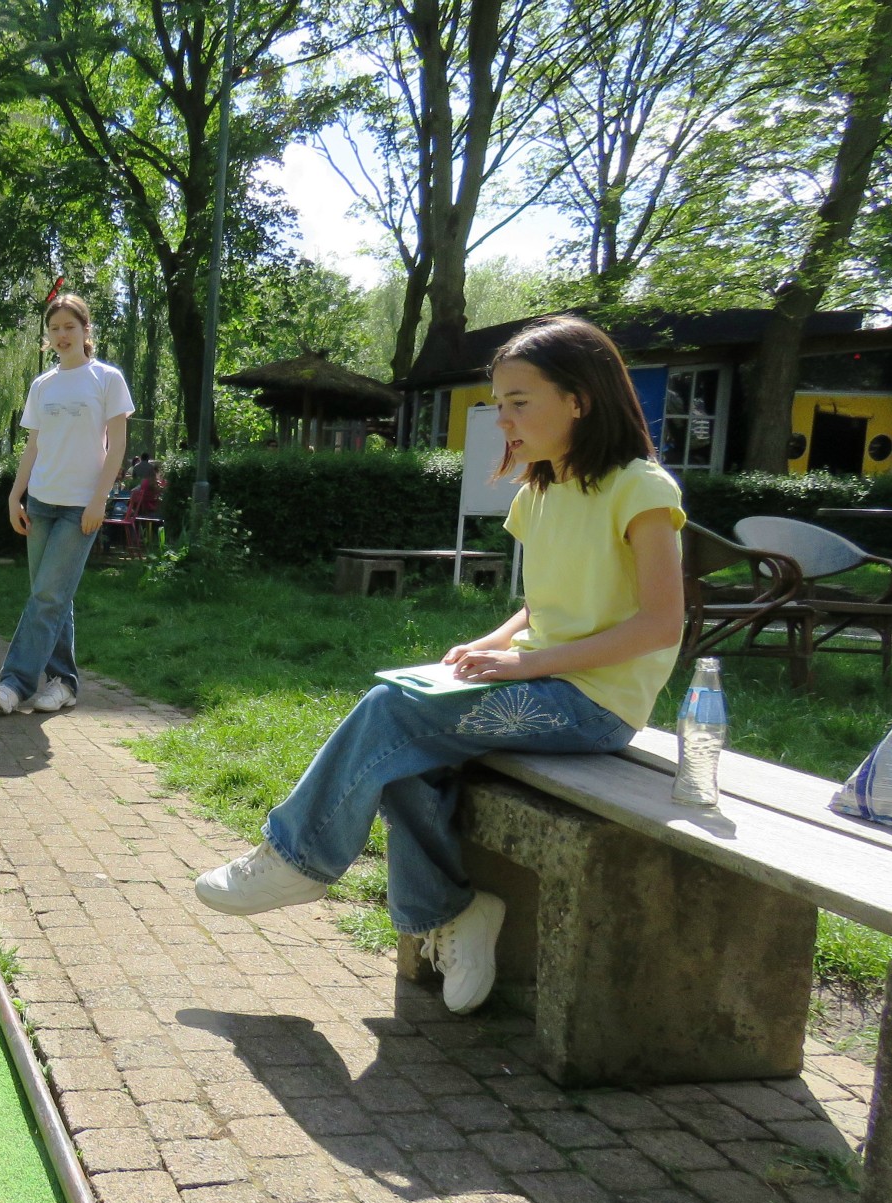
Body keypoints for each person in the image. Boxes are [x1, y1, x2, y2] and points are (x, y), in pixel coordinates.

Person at [193, 316, 685, 1014]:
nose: (503, 418)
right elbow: (544, 606)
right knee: (403, 753)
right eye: (499, 402)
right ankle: (454, 915)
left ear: (580, 399)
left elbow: (663, 623)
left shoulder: (642, 487)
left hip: (595, 705)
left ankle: (296, 860)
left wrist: (530, 662)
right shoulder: (538, 492)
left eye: (521, 401)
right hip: (541, 677)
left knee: (392, 717)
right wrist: (495, 641)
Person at [0, 292, 134, 716]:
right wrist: (16, 495)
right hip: (42, 501)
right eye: (54, 329)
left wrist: (99, 500)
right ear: (47, 337)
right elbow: (33, 446)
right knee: (52, 595)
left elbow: (118, 445)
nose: (62, 335)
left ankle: (14, 684)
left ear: (87, 330)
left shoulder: (107, 379)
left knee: (48, 594)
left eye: (70, 326)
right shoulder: (43, 384)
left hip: (79, 507)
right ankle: (64, 682)